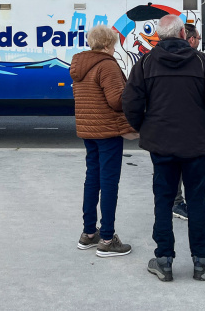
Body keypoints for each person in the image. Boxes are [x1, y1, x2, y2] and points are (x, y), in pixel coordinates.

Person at [123, 15, 205, 282]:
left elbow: (131, 103)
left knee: (163, 199)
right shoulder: (202, 62)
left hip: (160, 144)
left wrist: (144, 127)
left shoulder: (146, 63)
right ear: (184, 33)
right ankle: (202, 260)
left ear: (159, 35)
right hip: (195, 144)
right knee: (196, 201)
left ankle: (163, 259)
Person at [70, 24, 134, 257]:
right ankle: (107, 238)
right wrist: (133, 93)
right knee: (109, 183)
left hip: (88, 130)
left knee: (92, 179)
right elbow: (116, 101)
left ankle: (88, 234)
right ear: (108, 44)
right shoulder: (107, 65)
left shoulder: (79, 64)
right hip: (107, 131)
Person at [173, 22, 202, 220]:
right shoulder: (199, 61)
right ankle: (177, 203)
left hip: (166, 127)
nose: (199, 41)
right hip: (189, 127)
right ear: (190, 39)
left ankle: (180, 201)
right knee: (182, 168)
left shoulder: (152, 59)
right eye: (199, 38)